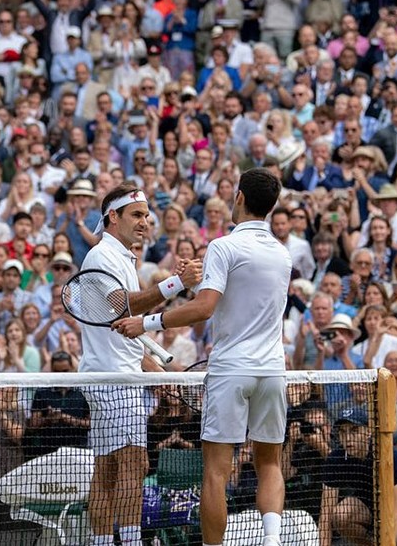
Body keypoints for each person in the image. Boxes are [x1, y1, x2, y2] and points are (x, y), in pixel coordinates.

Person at [114, 168, 292, 546]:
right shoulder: (282, 254)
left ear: (239, 197)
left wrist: (146, 323)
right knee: (270, 463)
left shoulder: (224, 246)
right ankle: (273, 539)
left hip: (231, 369)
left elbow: (205, 307)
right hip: (273, 370)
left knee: (215, 472)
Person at [79, 182, 201, 546]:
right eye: (136, 215)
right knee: (135, 465)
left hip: (112, 375)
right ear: (112, 217)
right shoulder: (102, 256)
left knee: (108, 470)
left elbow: (122, 333)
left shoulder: (122, 258)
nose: (145, 222)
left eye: (147, 215)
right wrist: (175, 283)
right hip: (113, 381)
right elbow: (124, 306)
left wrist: (161, 370)